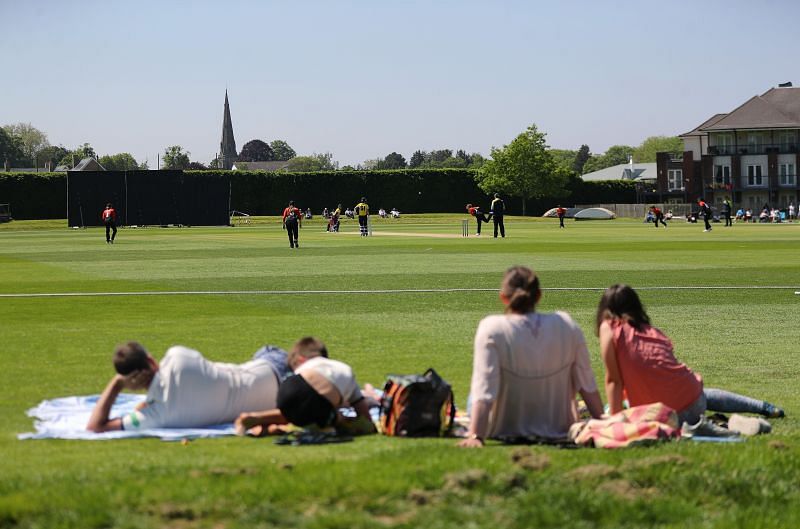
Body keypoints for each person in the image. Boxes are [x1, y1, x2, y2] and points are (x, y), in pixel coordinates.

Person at [595, 284, 784, 433]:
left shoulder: (609, 327)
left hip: (664, 415)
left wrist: (614, 419)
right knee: (700, 393)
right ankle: (762, 408)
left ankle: (715, 425)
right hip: (695, 400)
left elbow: (614, 380)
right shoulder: (653, 332)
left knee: (610, 409)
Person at [458, 266, 604, 447]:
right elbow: (587, 385)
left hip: (502, 428)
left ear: (504, 297)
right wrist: (604, 424)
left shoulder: (491, 328)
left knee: (474, 396)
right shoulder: (567, 326)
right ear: (539, 296)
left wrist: (475, 435)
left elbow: (484, 389)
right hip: (557, 427)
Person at [86, 342, 289, 432]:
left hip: (281, 401)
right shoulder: (177, 356)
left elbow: (95, 426)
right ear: (150, 360)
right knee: (266, 351)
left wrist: (116, 384)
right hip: (272, 370)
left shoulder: (157, 416)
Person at [235, 337, 376, 437]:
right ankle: (274, 425)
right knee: (334, 418)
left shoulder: (308, 367)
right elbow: (365, 417)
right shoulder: (343, 369)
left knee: (297, 410)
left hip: (287, 389)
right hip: (313, 400)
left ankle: (256, 419)